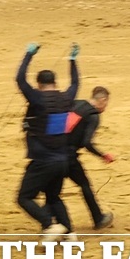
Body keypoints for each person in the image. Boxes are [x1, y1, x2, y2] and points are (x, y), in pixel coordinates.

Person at [16, 42, 79, 242]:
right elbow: (76, 84)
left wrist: (28, 54)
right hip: (62, 161)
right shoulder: (66, 98)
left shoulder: (37, 99)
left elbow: (19, 79)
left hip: (43, 160)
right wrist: (72, 60)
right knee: (53, 197)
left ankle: (51, 225)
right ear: (55, 82)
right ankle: (69, 233)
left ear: (39, 84)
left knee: (24, 198)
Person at [66, 86, 115, 230]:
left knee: (51, 190)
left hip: (52, 151)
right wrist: (103, 155)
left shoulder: (77, 103)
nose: (105, 106)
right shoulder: (93, 116)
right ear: (102, 100)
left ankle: (49, 223)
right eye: (106, 103)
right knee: (84, 185)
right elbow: (86, 142)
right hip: (68, 157)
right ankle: (98, 218)